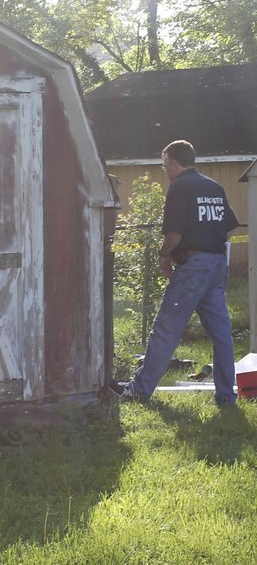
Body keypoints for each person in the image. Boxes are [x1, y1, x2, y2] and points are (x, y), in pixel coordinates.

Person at [110, 140, 239, 406]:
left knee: (166, 329)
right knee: (221, 335)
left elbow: (174, 234)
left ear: (174, 163)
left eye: (164, 164)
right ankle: (227, 396)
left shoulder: (180, 187)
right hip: (217, 266)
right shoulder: (214, 186)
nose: (164, 169)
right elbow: (230, 227)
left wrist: (163, 258)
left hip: (193, 268)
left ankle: (138, 390)